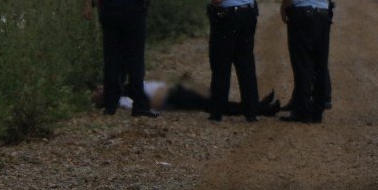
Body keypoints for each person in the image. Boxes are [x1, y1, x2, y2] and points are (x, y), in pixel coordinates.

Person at [278, 0, 334, 124]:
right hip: (322, 12)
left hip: (302, 14)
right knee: (320, 62)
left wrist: (284, 8)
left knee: (302, 63)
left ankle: (301, 110)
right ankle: (317, 110)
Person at [204, 0, 260, 122]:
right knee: (245, 63)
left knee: (221, 64)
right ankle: (251, 111)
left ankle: (217, 111)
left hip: (229, 17)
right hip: (247, 13)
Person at [92, 82, 281, 116]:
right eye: (99, 91)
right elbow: (145, 104)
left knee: (215, 101)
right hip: (172, 97)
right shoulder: (122, 99)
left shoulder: (122, 86)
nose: (100, 88)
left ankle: (257, 106)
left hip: (173, 91)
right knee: (214, 104)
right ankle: (259, 109)